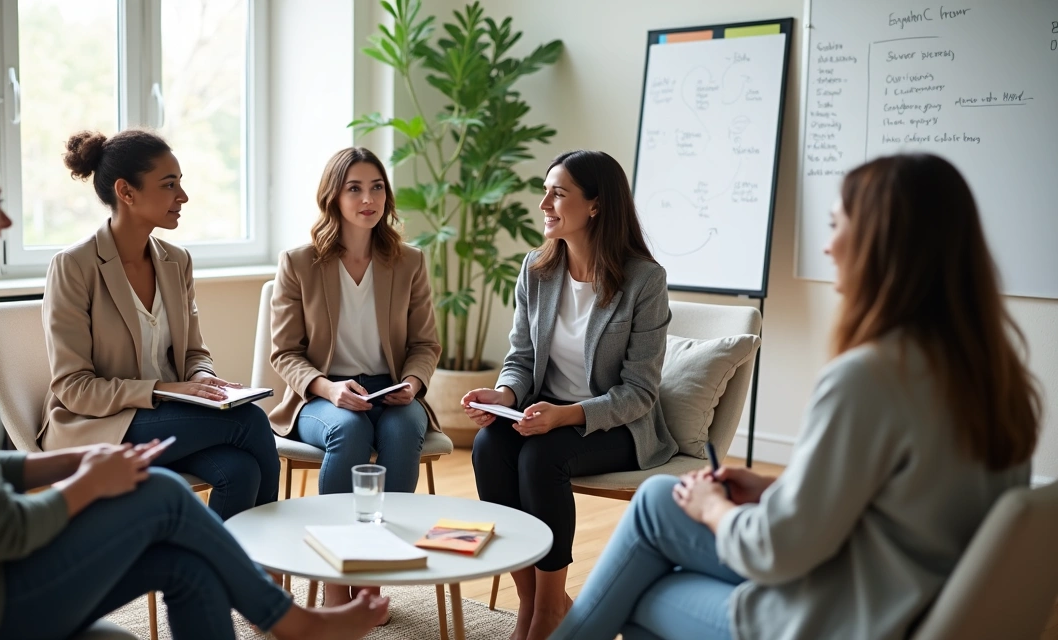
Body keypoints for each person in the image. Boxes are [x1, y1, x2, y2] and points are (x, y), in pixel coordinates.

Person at [0, 131, 390, 640]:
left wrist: (191, 387)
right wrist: (89, 478)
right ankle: (280, 608)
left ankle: (248, 584)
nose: (6, 222)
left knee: (211, 521)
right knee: (179, 479)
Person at [549, 153, 1041, 640]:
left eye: (835, 224)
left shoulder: (868, 379)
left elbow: (777, 551)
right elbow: (893, 506)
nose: (827, 248)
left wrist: (713, 508)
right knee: (658, 499)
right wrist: (770, 490)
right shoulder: (997, 381)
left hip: (841, 615)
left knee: (645, 585)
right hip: (899, 596)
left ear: (881, 242)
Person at [461, 150, 679, 640]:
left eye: (558, 193)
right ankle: (537, 604)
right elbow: (520, 359)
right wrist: (502, 394)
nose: (544, 203)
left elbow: (639, 392)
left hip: (614, 424)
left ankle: (546, 618)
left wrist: (566, 416)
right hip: (540, 414)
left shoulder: (645, 281)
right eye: (546, 190)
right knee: (489, 447)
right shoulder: (536, 271)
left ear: (596, 206)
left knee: (541, 457)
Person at [40, 129, 278, 520]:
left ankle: (209, 580)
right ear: (126, 192)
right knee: (250, 421)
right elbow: (73, 389)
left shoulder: (176, 260)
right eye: (170, 185)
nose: (182, 197)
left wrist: (203, 379)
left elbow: (194, 353)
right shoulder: (74, 266)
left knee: (240, 471)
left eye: (180, 184)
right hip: (104, 425)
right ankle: (267, 571)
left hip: (169, 416)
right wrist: (167, 390)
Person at [270, 146, 441, 606]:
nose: (369, 199)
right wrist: (328, 388)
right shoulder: (299, 263)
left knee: (404, 431)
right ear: (334, 197)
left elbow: (426, 345)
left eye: (377, 187)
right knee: (347, 430)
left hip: (391, 388)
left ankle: (372, 580)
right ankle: (333, 579)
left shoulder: (409, 262)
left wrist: (414, 384)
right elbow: (284, 353)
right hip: (321, 393)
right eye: (355, 188)